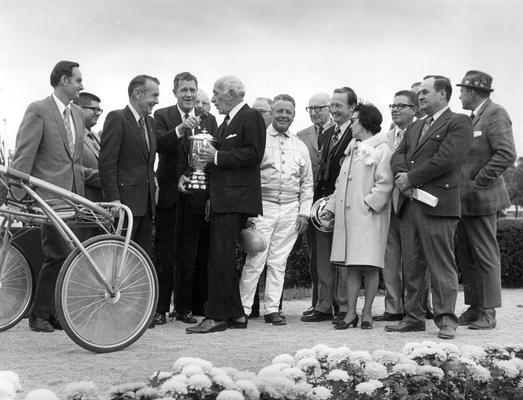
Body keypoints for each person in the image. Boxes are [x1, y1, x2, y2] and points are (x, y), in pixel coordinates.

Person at [387, 75, 473, 339]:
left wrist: (410, 178)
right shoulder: (416, 126)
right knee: (412, 265)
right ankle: (413, 317)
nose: (420, 97)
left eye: (425, 92)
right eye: (419, 93)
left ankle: (447, 320)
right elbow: (398, 154)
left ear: (443, 95)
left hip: (438, 205)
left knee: (441, 265)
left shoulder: (459, 122)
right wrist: (402, 176)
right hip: (410, 204)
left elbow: (447, 159)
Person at [186, 75, 266, 334]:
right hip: (222, 199)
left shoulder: (250, 116)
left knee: (219, 259)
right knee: (222, 258)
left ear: (231, 93)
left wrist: (217, 155)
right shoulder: (225, 122)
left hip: (236, 199)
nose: (214, 98)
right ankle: (236, 314)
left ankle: (216, 316)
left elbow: (254, 154)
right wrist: (210, 195)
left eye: (217, 93)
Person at [12, 60, 87, 332]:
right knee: (57, 252)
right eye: (78, 80)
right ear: (64, 81)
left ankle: (53, 313)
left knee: (66, 255)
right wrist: (19, 192)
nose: (81, 85)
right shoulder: (39, 110)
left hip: (73, 197)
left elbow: (74, 160)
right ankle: (39, 315)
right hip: (48, 195)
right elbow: (25, 152)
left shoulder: (77, 114)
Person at [239, 94, 313, 325]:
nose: (283, 115)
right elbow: (249, 178)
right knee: (255, 258)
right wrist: (249, 213)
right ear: (271, 113)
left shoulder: (299, 145)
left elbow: (307, 183)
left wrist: (304, 213)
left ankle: (272, 310)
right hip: (263, 207)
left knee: (279, 261)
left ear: (293, 115)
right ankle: (243, 308)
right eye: (279, 111)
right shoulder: (259, 140)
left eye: (288, 112)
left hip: (291, 209)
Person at [322, 103, 393, 330]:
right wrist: (332, 206)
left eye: (354, 120)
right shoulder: (352, 149)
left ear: (364, 122)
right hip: (349, 218)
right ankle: (350, 312)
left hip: (370, 216)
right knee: (351, 265)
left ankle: (367, 313)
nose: (350, 124)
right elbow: (340, 183)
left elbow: (385, 184)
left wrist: (368, 204)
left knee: (370, 265)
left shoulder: (382, 149)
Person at [456, 70, 517, 330]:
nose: (459, 95)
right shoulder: (473, 117)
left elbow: (506, 154)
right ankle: (475, 306)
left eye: (461, 91)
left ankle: (489, 311)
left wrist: (479, 181)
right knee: (467, 254)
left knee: (485, 255)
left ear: (471, 92)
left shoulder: (495, 113)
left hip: (483, 199)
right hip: (466, 200)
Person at [151, 72, 208, 325]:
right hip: (169, 195)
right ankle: (161, 308)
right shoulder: (162, 116)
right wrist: (181, 128)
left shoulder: (207, 119)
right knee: (165, 254)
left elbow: (206, 157)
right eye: (183, 89)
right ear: (174, 92)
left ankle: (183, 309)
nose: (188, 94)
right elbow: (159, 145)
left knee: (189, 254)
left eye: (192, 90)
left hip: (195, 194)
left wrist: (190, 177)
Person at [301, 87, 355, 323]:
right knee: (322, 257)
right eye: (331, 105)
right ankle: (323, 305)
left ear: (352, 108)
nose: (333, 110)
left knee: (341, 257)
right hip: (322, 205)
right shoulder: (328, 132)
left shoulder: (356, 132)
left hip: (344, 202)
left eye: (338, 106)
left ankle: (343, 306)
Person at [173, 74, 219, 324]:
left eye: (204, 102)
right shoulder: (180, 122)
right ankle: (180, 307)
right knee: (185, 252)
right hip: (182, 191)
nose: (199, 106)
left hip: (205, 193)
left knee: (203, 253)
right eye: (196, 101)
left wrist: (211, 195)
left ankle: (198, 303)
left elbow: (212, 161)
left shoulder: (212, 123)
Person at [374, 90, 421, 322]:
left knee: (415, 258)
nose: (395, 109)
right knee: (390, 257)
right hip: (389, 203)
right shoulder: (386, 137)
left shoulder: (423, 132)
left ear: (415, 109)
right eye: (393, 105)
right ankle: (393, 307)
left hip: (413, 200)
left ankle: (419, 306)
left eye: (402, 105)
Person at [99, 75, 158, 258]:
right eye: (154, 95)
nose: (157, 101)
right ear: (138, 93)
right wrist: (114, 200)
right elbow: (107, 162)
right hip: (124, 207)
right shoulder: (117, 118)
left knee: (140, 259)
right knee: (118, 258)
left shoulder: (150, 123)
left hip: (146, 207)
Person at [297, 92, 333, 316]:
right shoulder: (301, 135)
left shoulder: (339, 131)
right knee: (315, 256)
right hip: (311, 203)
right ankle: (317, 301)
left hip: (332, 202)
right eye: (310, 109)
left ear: (329, 108)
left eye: (319, 108)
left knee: (331, 255)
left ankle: (332, 302)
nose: (314, 112)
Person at [73, 92, 103, 202]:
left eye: (99, 110)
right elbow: (70, 169)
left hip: (101, 205)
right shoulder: (70, 135)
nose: (98, 113)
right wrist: (105, 178)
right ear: (77, 108)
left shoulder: (97, 137)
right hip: (82, 204)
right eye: (94, 109)